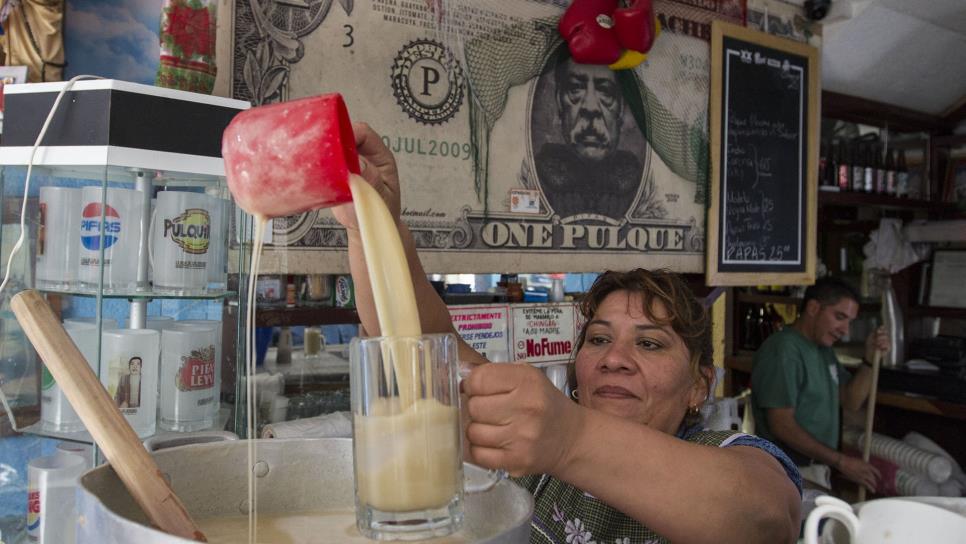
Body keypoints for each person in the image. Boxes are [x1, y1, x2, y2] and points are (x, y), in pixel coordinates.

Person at [332, 123, 802, 543]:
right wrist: (374, 221)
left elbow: (767, 517)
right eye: (598, 338)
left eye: (649, 342)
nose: (613, 358)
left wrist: (570, 439)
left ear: (700, 384)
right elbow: (421, 336)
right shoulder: (538, 434)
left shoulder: (716, 452)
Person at [751, 278, 889, 493]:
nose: (845, 329)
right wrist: (841, 462)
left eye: (850, 321)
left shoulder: (823, 350)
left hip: (814, 469)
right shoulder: (784, 349)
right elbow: (781, 424)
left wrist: (870, 360)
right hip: (787, 470)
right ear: (814, 308)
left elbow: (851, 400)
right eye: (839, 317)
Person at [535, 53, 643, 220]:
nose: (591, 107)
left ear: (621, 107)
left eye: (606, 91)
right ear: (559, 101)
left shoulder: (639, 184)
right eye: (575, 88)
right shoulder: (537, 176)